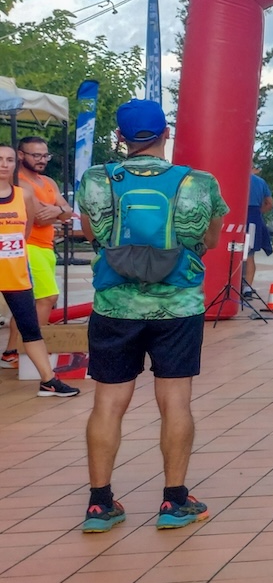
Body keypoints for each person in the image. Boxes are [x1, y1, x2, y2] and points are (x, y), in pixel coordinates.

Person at [76, 102, 226, 532]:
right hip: (178, 307)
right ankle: (174, 501)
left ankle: (100, 504)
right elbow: (209, 239)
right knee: (175, 401)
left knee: (108, 403)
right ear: (166, 133)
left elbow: (91, 233)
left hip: (113, 307)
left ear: (121, 138)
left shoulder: (97, 179)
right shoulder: (198, 182)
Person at [0, 146, 80, 398]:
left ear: (15, 163)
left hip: (16, 272)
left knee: (31, 327)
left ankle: (49, 381)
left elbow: (25, 231)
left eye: (9, 160)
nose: (4, 164)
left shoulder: (22, 195)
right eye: (0, 159)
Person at [243, 162, 272, 296]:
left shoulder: (238, 178)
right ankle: (247, 288)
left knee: (233, 252)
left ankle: (233, 284)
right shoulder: (260, 182)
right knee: (250, 255)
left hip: (237, 214)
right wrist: (259, 212)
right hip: (254, 217)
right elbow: (270, 203)